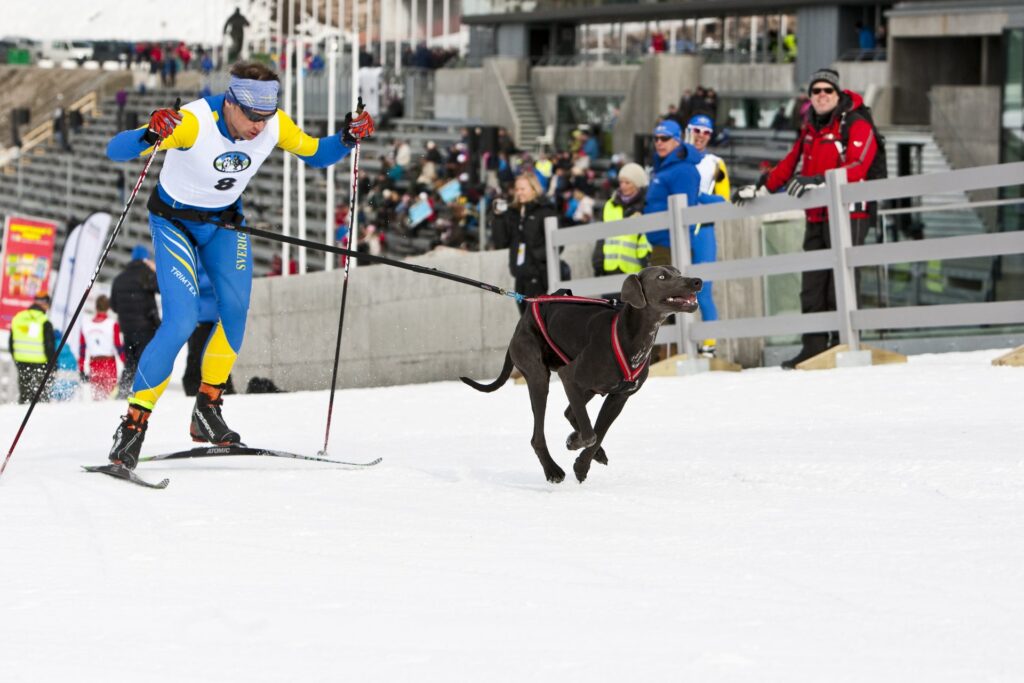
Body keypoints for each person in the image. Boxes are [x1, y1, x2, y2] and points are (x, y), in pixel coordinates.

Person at [102, 60, 375, 469]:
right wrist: (149, 132)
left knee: (234, 312)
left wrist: (348, 137)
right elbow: (115, 150)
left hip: (223, 223)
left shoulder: (274, 124)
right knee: (180, 321)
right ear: (230, 102)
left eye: (266, 117)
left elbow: (318, 155)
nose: (259, 127)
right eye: (251, 116)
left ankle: (207, 410)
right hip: (175, 222)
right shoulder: (193, 123)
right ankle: (133, 425)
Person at [733, 68, 878, 369]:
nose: (822, 95)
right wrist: (760, 186)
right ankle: (813, 348)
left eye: (827, 90)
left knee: (840, 283)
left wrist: (820, 181)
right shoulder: (810, 130)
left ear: (838, 95)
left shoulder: (855, 122)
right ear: (810, 98)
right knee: (812, 285)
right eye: (816, 91)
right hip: (816, 215)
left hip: (850, 213)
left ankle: (843, 344)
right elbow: (788, 165)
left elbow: (860, 165)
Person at [685, 114, 731, 358]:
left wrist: (698, 197)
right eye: (696, 130)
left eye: (706, 132)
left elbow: (724, 199)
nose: (701, 135)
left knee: (704, 288)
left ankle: (708, 346)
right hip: (676, 230)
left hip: (703, 230)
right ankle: (679, 345)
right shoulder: (675, 157)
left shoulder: (715, 163)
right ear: (688, 130)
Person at [490, 173, 560, 315]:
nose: (519, 193)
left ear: (533, 189)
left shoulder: (545, 210)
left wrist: (537, 259)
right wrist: (498, 217)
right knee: (525, 320)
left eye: (523, 189)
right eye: (517, 189)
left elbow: (557, 243)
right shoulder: (514, 213)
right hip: (520, 279)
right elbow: (501, 242)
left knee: (538, 318)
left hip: (539, 278)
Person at [642, 118, 702, 267]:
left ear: (676, 141)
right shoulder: (664, 168)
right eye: (656, 138)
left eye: (664, 138)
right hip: (661, 245)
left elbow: (685, 210)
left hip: (672, 246)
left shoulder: (682, 170)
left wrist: (678, 246)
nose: (659, 142)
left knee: (665, 290)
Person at [110, 244, 160, 398]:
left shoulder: (119, 278)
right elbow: (161, 288)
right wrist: (154, 270)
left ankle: (123, 393)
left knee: (130, 362)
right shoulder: (147, 274)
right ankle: (143, 394)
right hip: (146, 327)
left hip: (127, 329)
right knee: (145, 362)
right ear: (146, 259)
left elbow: (113, 306)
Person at [594, 162, 651, 277]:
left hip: (635, 270)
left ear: (637, 184)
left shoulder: (646, 206)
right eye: (621, 182)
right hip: (609, 268)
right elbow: (601, 236)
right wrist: (598, 260)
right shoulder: (610, 205)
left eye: (627, 182)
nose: (623, 186)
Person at [8, 293, 55, 404]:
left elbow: (11, 342)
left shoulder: (18, 317)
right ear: (45, 304)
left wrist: (17, 359)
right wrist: (53, 365)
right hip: (41, 364)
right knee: (41, 399)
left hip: (22, 363)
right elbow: (49, 346)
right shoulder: (44, 321)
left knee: (25, 397)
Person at [78, 295, 124, 400]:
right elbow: (118, 346)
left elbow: (82, 351)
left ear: (95, 307)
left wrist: (81, 369)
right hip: (109, 365)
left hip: (94, 364)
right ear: (108, 308)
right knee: (109, 399)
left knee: (97, 398)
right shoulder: (112, 324)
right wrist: (126, 363)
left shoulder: (86, 325)